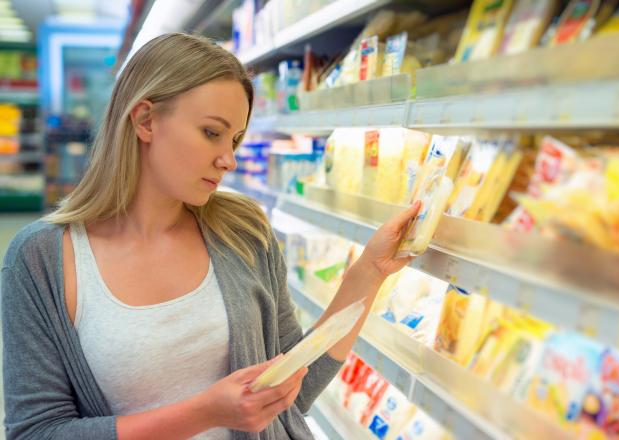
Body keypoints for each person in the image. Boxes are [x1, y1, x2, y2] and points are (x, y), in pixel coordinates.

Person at [1, 33, 420, 440]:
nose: (229, 159)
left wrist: (368, 272)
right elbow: (37, 430)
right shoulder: (41, 259)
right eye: (211, 133)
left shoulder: (242, 232)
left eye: (236, 139)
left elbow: (295, 391)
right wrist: (204, 412)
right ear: (146, 120)